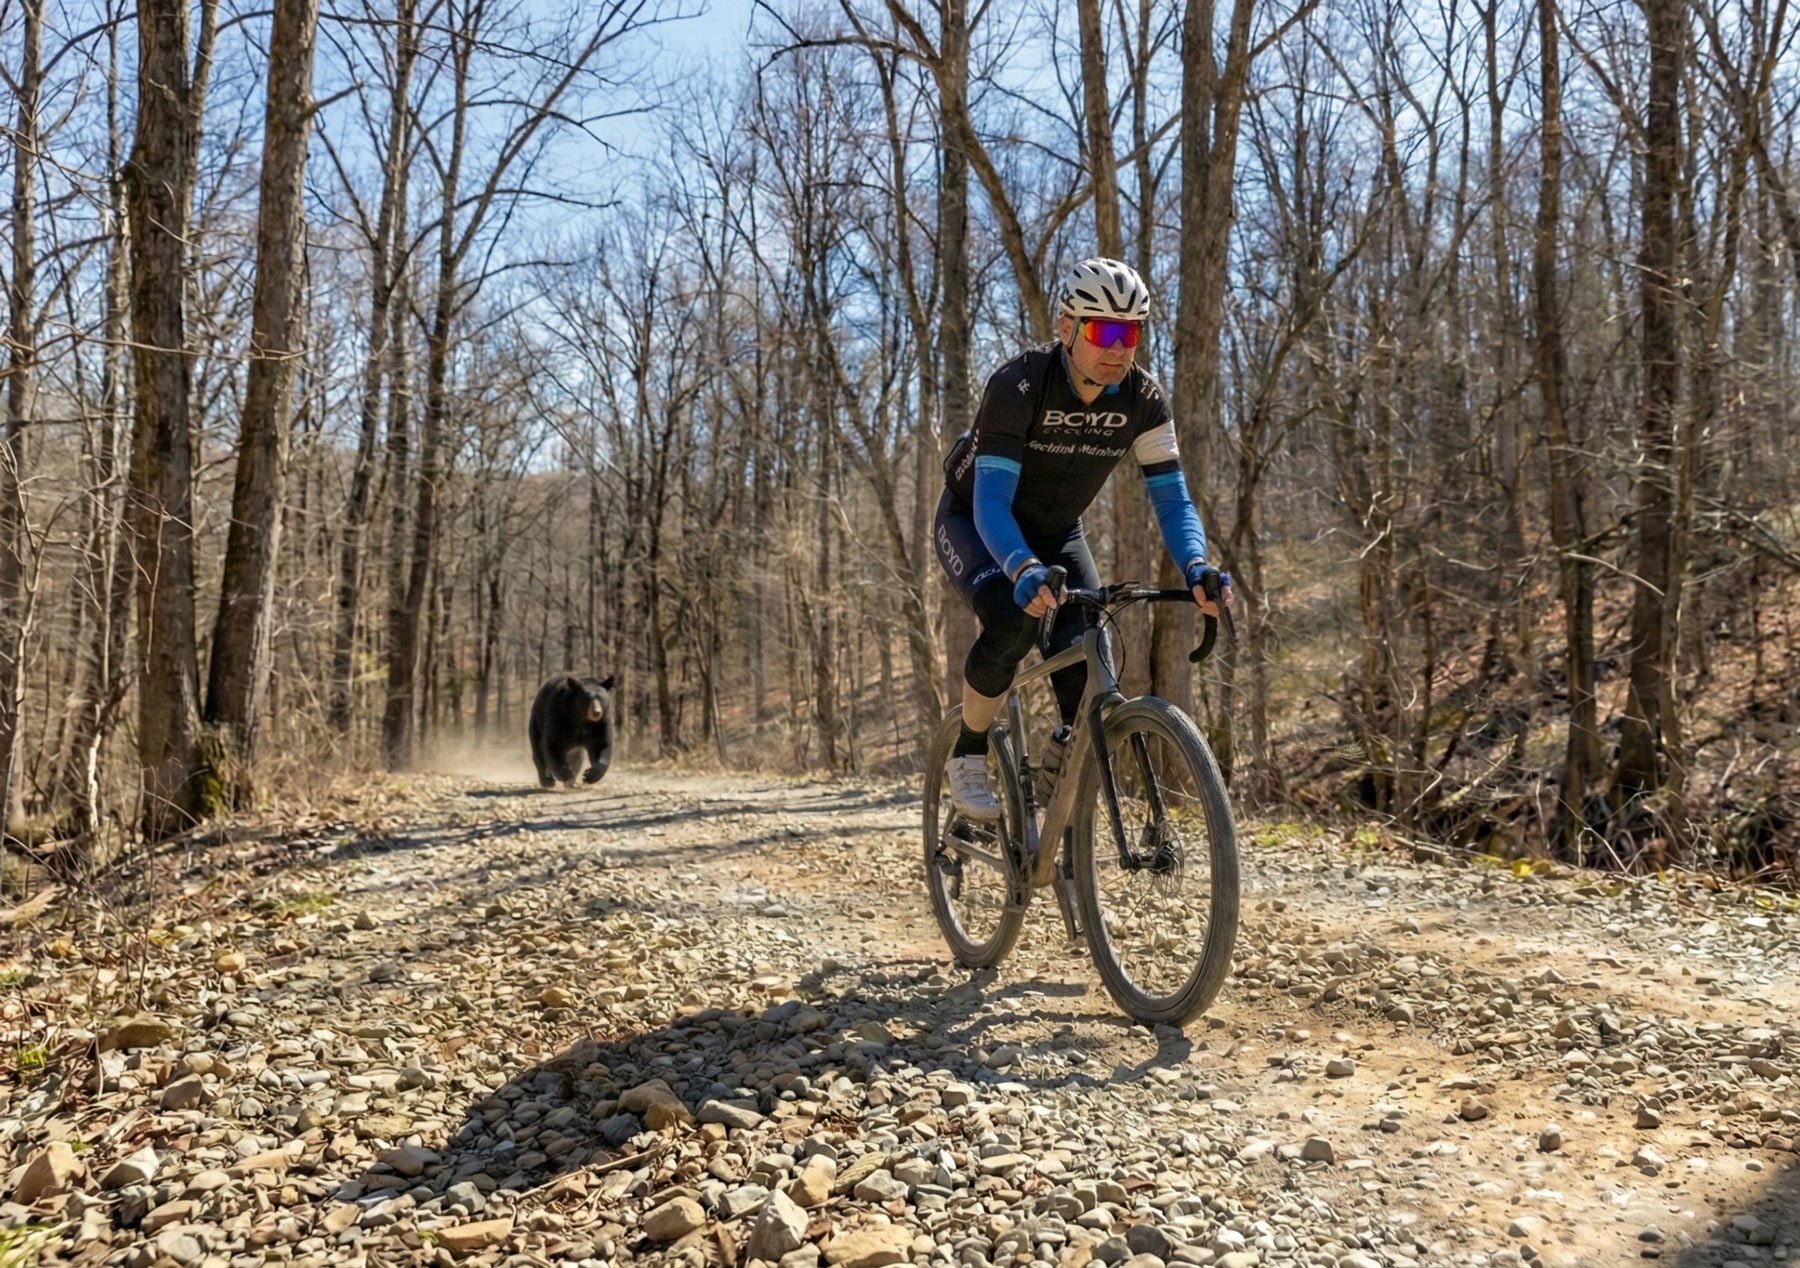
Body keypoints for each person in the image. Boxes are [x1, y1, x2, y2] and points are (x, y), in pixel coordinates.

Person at [934, 257, 1229, 820]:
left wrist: (1196, 566)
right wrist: (1021, 567)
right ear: (1067, 328)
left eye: (1132, 332)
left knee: (1089, 657)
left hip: (1057, 532)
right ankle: (969, 753)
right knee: (1012, 622)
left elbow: (1172, 499)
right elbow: (991, 501)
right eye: (1104, 330)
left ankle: (1061, 789)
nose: (1119, 347)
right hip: (975, 520)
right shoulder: (1018, 385)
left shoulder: (1143, 400)